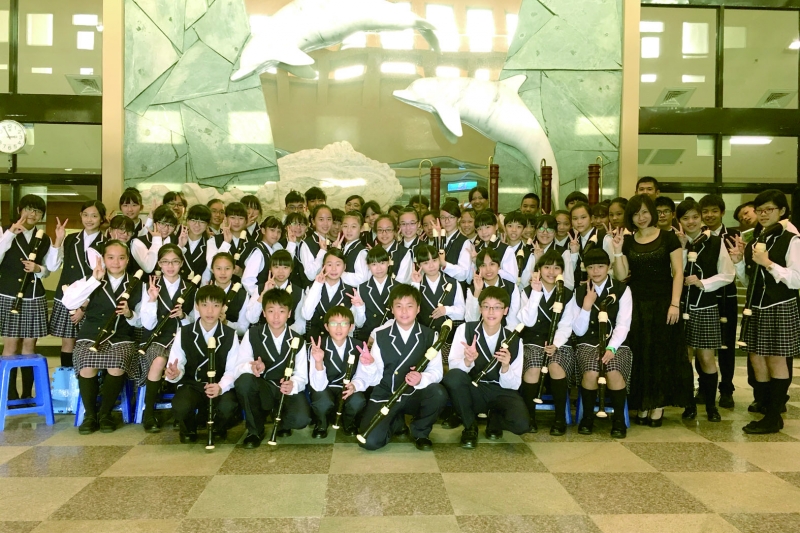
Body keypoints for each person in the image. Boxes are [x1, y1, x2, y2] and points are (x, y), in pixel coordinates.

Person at [612, 194, 692, 426]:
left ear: (653, 213)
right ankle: (643, 403)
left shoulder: (668, 237)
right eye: (636, 213)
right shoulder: (628, 241)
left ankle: (658, 405)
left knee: (661, 353)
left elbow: (678, 272)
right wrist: (617, 250)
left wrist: (674, 303)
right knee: (640, 352)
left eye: (645, 212)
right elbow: (621, 275)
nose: (641, 217)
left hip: (663, 303)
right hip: (636, 303)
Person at [727, 189, 799, 434]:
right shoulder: (758, 237)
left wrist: (768, 263)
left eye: (769, 209)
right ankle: (766, 407)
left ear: (782, 211)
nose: (764, 214)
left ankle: (774, 416)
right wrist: (739, 261)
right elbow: (751, 281)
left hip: (779, 305)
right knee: (756, 358)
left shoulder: (791, 239)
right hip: (755, 306)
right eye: (760, 210)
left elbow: (796, 279)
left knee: (775, 360)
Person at [348, 284, 448, 451]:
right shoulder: (380, 335)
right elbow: (375, 378)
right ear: (392, 309)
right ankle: (396, 422)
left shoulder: (431, 336)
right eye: (399, 306)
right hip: (387, 394)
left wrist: (422, 378)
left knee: (438, 393)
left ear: (418, 309)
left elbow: (437, 372)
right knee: (369, 442)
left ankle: (420, 431)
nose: (404, 311)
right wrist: (369, 364)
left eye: (409, 306)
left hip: (414, 394)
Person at [61, 240, 144, 434]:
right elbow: (69, 302)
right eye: (111, 257)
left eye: (121, 258)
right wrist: (94, 280)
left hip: (121, 337)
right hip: (91, 335)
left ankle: (105, 413)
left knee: (117, 363)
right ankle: (90, 415)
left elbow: (142, 322)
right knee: (86, 362)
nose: (116, 262)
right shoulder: (91, 279)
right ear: (103, 259)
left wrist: (129, 314)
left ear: (128, 260)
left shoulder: (138, 285)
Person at [444, 286, 527, 448]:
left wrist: (505, 366)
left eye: (497, 307)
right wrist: (468, 361)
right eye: (486, 306)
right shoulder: (465, 329)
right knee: (453, 378)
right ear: (480, 308)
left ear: (505, 311)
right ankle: (470, 426)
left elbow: (514, 385)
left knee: (521, 425)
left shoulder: (515, 340)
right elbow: (454, 368)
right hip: (474, 390)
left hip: (500, 391)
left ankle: (495, 418)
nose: (491, 312)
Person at [676, 199, 735, 422]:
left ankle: (711, 406)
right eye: (685, 218)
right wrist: (682, 248)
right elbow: (674, 273)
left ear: (701, 218)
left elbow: (728, 275)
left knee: (707, 358)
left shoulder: (716, 242)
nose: (691, 222)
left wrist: (703, 282)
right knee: (684, 358)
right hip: (681, 307)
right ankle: (689, 404)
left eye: (695, 217)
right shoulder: (677, 242)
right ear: (679, 221)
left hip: (706, 306)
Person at [566, 248, 632, 438]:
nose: (595, 271)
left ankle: (618, 419)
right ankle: (587, 417)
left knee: (613, 371)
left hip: (616, 343)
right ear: (585, 268)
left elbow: (623, 324)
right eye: (591, 267)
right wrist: (587, 306)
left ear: (609, 267)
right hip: (588, 343)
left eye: (600, 266)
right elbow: (578, 331)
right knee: (591, 371)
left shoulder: (622, 289)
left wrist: (612, 347)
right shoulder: (579, 292)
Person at [234, 288, 312, 448]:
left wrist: (293, 384)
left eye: (281, 311)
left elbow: (302, 375)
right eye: (271, 311)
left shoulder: (297, 339)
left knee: (301, 419)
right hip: (263, 388)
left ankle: (282, 420)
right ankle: (255, 430)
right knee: (244, 382)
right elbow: (239, 366)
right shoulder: (253, 334)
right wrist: (252, 366)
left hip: (285, 389)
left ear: (289, 314)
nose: (276, 316)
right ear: (264, 313)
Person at [164, 285, 241, 443]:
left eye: (216, 305)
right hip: (193, 385)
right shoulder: (184, 332)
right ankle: (188, 428)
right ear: (197, 306)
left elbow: (232, 369)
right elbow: (177, 362)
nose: (210, 311)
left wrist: (220, 387)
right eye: (205, 305)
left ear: (222, 308)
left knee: (228, 406)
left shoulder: (230, 334)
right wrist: (175, 373)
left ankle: (219, 427)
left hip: (218, 384)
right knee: (181, 405)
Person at [0, 195, 57, 401]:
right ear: (19, 210)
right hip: (9, 294)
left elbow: (49, 270)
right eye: (29, 209)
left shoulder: (44, 238)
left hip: (34, 295)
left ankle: (26, 395)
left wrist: (38, 269)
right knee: (10, 346)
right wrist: (10, 234)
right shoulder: (4, 230)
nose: (33, 214)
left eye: (38, 211)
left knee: (29, 347)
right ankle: (10, 395)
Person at [139, 244, 197, 432]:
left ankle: (182, 412)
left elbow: (196, 321)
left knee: (182, 361)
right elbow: (147, 324)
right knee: (159, 360)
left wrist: (183, 316)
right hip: (156, 339)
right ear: (159, 264)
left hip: (182, 338)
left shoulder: (191, 287)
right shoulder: (151, 286)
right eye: (165, 262)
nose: (170, 266)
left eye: (175, 262)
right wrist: (152, 300)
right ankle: (149, 414)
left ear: (181, 263)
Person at [518, 250, 575, 435]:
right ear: (539, 269)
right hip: (533, 340)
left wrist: (555, 344)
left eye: (556, 268)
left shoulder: (567, 293)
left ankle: (559, 418)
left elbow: (566, 324)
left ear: (562, 271)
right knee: (533, 368)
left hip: (559, 343)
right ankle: (529, 416)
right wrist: (536, 294)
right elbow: (527, 321)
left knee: (556, 366)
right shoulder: (528, 291)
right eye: (547, 267)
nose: (551, 272)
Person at [47, 200, 106, 368]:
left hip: (92, 300)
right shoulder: (71, 238)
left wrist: (84, 306)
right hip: (68, 296)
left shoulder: (106, 242)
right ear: (80, 216)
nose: (89, 219)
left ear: (102, 218)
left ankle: (86, 379)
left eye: (94, 216)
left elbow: (104, 278)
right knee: (68, 342)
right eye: (85, 215)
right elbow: (52, 266)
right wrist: (58, 240)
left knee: (91, 343)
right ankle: (67, 380)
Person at [697, 194, 739, 409]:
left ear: (722, 212)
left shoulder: (733, 236)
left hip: (726, 298)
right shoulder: (697, 236)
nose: (709, 215)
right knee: (701, 345)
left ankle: (727, 389)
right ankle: (704, 388)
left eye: (714, 211)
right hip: (702, 298)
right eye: (705, 211)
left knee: (726, 346)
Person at [308, 306, 368, 437]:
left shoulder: (359, 346)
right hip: (325, 387)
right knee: (322, 401)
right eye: (334, 323)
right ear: (326, 326)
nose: (339, 328)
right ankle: (321, 423)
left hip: (348, 386)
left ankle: (349, 422)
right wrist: (319, 361)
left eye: (344, 324)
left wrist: (355, 386)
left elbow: (362, 375)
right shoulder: (318, 347)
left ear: (351, 327)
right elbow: (318, 385)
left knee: (358, 400)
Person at [409, 244, 466, 360]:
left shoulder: (453, 283)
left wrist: (446, 310)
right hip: (424, 340)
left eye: (434, 260)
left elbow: (462, 313)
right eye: (426, 263)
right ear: (419, 265)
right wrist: (415, 284)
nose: (431, 266)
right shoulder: (416, 284)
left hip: (448, 340)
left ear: (439, 260)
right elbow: (410, 311)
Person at [301, 248, 356, 341]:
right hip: (316, 341)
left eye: (338, 265)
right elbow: (306, 315)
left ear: (344, 267)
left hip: (340, 341)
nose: (334, 269)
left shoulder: (351, 291)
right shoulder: (313, 287)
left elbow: (354, 325)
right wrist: (317, 285)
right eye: (329, 265)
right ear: (323, 266)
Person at [352, 246, 398, 344]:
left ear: (388, 262)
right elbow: (359, 324)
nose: (379, 268)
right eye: (374, 264)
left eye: (382, 263)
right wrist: (360, 307)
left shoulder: (398, 287)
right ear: (368, 266)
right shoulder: (362, 288)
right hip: (367, 338)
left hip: (392, 336)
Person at [466, 248, 521, 329]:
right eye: (483, 265)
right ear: (478, 269)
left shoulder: (511, 287)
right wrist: (477, 292)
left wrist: (502, 335)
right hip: (479, 332)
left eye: (492, 264)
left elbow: (513, 321)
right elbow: (471, 320)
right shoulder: (472, 289)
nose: (488, 269)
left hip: (505, 332)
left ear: (499, 266)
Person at [520, 214, 574, 291]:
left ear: (555, 233)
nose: (545, 233)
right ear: (535, 231)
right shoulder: (528, 251)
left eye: (550, 229)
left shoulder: (563, 253)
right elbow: (522, 283)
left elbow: (569, 284)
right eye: (541, 228)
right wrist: (536, 260)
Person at [204, 202, 251, 283]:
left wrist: (242, 272)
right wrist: (226, 243)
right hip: (218, 287)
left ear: (246, 221)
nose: (236, 222)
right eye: (232, 218)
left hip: (242, 288)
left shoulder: (253, 244)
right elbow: (210, 265)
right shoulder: (213, 240)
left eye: (241, 218)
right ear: (225, 219)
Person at [569, 202, 612, 287]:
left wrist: (595, 278)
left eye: (583, 217)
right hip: (579, 288)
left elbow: (613, 266)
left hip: (601, 287)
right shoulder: (573, 241)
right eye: (575, 218)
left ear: (591, 219)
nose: (579, 222)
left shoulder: (604, 238)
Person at [472, 211, 517, 283]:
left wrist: (493, 269)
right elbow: (469, 279)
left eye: (487, 227)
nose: (484, 232)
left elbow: (512, 278)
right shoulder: (476, 249)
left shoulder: (506, 250)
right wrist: (475, 263)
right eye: (479, 229)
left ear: (496, 226)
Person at [435, 201, 473, 284]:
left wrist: (445, 264)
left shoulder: (465, 242)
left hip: (456, 288)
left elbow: (463, 274)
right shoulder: (438, 239)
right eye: (443, 217)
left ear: (458, 219)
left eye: (451, 217)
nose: (447, 221)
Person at [131, 205, 176, 273]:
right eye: (162, 223)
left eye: (171, 225)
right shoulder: (138, 242)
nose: (166, 228)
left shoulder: (174, 240)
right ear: (154, 223)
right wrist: (156, 240)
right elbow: (148, 268)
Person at [298, 205, 333, 285]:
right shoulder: (307, 244)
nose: (325, 223)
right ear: (313, 221)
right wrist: (322, 251)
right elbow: (310, 275)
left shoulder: (331, 243)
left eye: (329, 219)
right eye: (321, 219)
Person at [336, 210, 370, 287]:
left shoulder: (361, 252)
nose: (349, 230)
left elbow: (361, 279)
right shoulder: (344, 247)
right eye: (345, 226)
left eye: (353, 227)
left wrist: (338, 273)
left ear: (361, 228)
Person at [178, 204, 211, 279]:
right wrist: (180, 246)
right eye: (193, 220)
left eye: (202, 222)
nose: (197, 225)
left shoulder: (209, 244)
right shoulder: (176, 240)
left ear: (207, 224)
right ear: (187, 221)